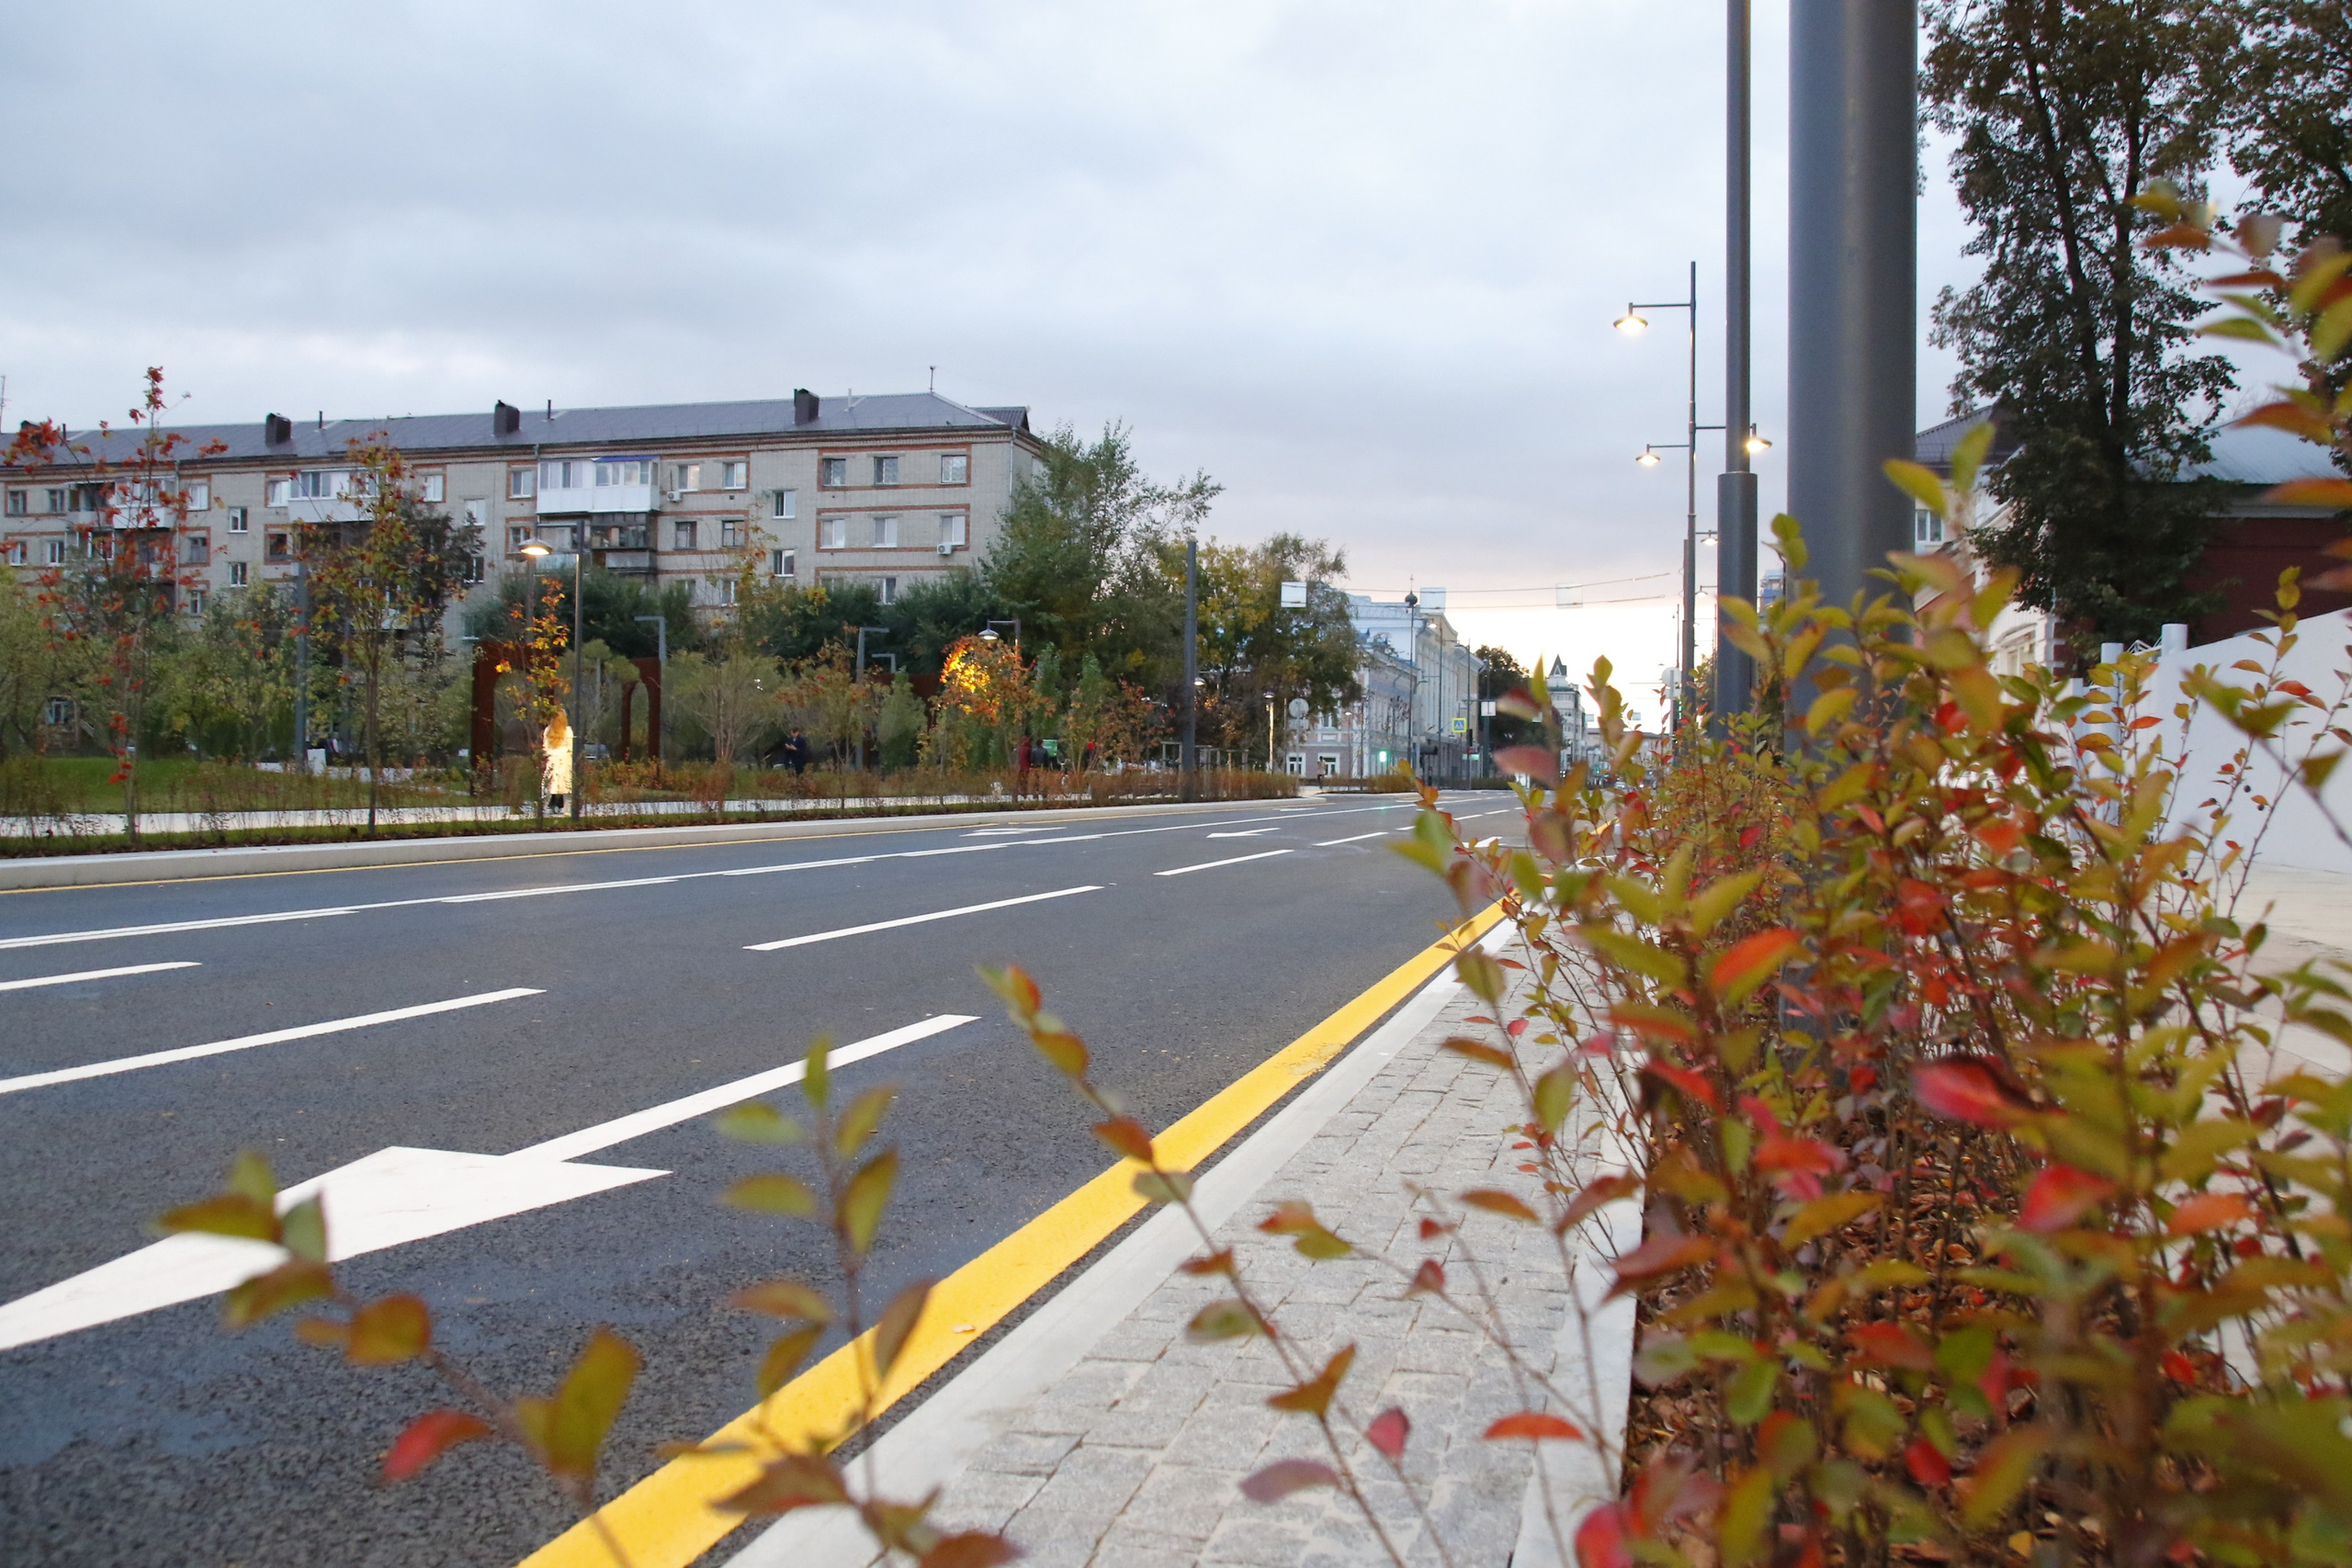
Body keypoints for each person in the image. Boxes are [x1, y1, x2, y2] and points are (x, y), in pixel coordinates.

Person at [542, 708, 573, 811]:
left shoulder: (548, 730)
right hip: (564, 760)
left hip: (552, 760)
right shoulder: (568, 731)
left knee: (550, 785)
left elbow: (545, 747)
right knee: (566, 786)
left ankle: (545, 808)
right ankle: (567, 810)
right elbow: (571, 747)